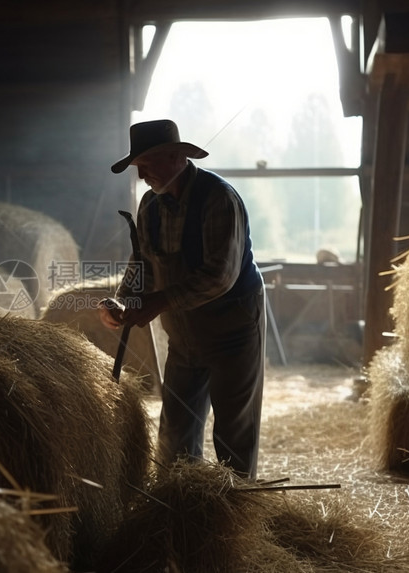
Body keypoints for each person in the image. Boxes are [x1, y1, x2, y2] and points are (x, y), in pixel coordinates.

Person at [99, 119, 265, 479]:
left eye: (148, 164)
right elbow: (141, 261)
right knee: (175, 435)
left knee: (233, 433)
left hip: (231, 332)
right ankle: (181, 512)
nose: (143, 176)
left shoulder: (218, 198)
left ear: (177, 156)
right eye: (138, 168)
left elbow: (219, 276)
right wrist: (124, 301)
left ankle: (237, 520)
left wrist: (157, 303)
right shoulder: (150, 206)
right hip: (184, 336)